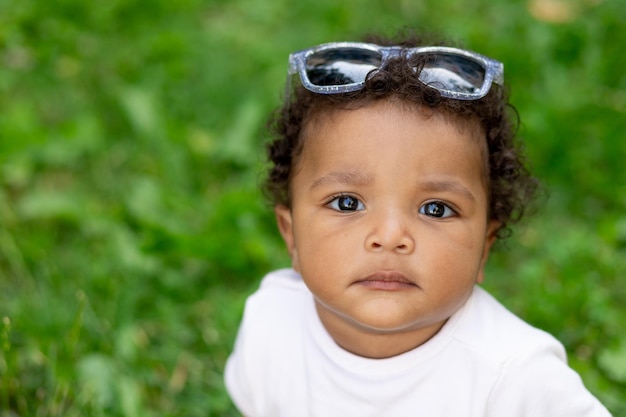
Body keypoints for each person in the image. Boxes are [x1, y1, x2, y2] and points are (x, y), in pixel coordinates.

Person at [224, 32, 612, 417]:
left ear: (485, 246)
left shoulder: (514, 379)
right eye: (347, 202)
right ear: (291, 236)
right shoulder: (270, 328)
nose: (390, 236)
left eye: (436, 209)